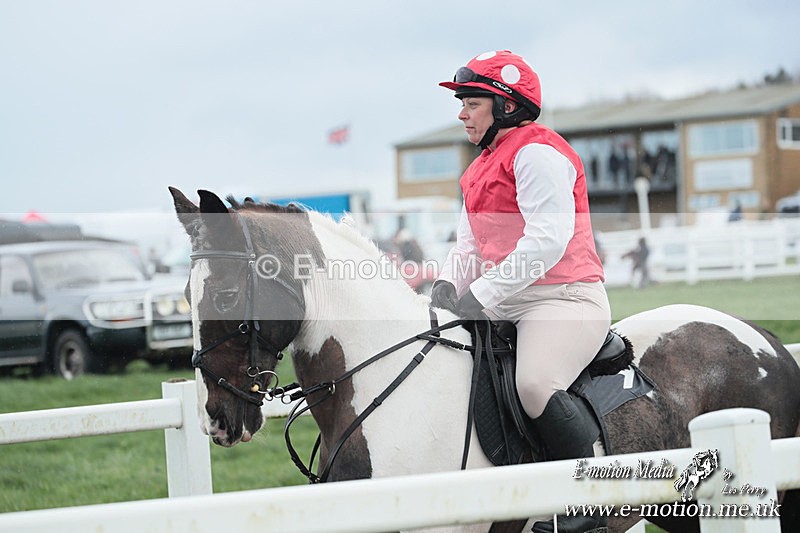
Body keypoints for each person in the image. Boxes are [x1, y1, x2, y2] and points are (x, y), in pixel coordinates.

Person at [430, 50, 610, 533]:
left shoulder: (538, 152)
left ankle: (589, 503)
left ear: (506, 106)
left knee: (534, 384)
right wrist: (447, 284)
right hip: (506, 300)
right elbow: (470, 243)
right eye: (462, 103)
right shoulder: (477, 169)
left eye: (471, 102)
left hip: (565, 298)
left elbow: (546, 241)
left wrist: (481, 293)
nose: (462, 113)